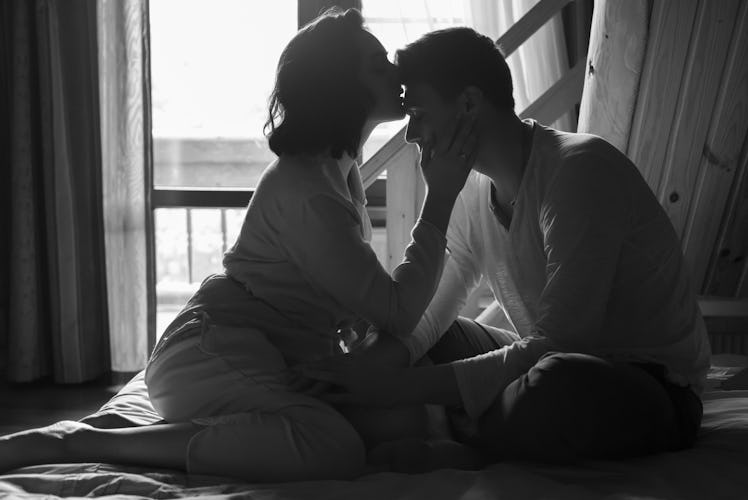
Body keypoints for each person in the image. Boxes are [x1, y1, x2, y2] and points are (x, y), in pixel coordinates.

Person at [0, 10, 477, 482]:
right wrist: (441, 197)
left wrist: (348, 341)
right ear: (342, 87)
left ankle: (213, 427)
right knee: (332, 446)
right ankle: (75, 441)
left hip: (258, 348)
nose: (397, 72)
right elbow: (397, 311)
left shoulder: (339, 167)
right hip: (206, 353)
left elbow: (343, 292)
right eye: (378, 65)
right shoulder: (310, 188)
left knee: (401, 418)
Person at [301, 26, 711, 471]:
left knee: (557, 380)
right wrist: (368, 372)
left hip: (644, 383)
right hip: (544, 361)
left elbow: (562, 342)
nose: (412, 135)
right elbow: (431, 313)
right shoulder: (469, 189)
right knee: (432, 336)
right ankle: (475, 430)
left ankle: (465, 437)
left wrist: (398, 389)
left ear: (470, 104)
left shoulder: (578, 170)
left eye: (419, 113)